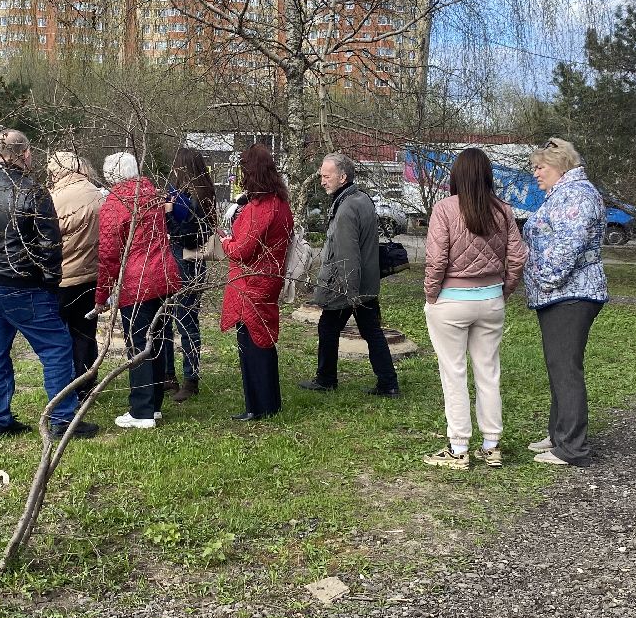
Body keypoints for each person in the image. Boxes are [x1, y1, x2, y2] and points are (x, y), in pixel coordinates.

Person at [0, 130, 96, 442]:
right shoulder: (34, 193)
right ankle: (61, 419)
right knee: (58, 348)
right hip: (23, 286)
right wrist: (49, 284)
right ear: (27, 154)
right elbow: (49, 247)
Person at [420, 148, 527, 470]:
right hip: (491, 301)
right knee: (488, 372)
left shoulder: (444, 209)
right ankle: (491, 446)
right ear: (487, 175)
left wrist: (431, 295)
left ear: (457, 175)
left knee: (453, 373)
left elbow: (437, 260)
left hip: (451, 301)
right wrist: (503, 291)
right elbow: (518, 257)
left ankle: (458, 448)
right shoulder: (503, 211)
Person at [523, 137, 608, 467]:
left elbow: (566, 247)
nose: (535, 173)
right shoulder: (564, 193)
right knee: (559, 366)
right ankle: (560, 435)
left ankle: (572, 447)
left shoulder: (575, 194)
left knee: (565, 368)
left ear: (560, 166)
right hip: (562, 294)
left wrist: (545, 280)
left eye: (539, 167)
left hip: (570, 294)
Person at [299, 152, 400, 397]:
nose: (322, 180)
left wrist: (350, 293)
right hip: (362, 283)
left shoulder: (345, 209)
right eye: (322, 175)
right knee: (370, 331)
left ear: (343, 177)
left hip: (347, 286)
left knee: (328, 327)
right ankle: (388, 382)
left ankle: (326, 379)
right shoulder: (362, 198)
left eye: (327, 176)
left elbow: (347, 256)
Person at [97, 151, 182, 430]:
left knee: (138, 344)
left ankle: (142, 411)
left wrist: (101, 296)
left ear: (112, 176)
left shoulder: (114, 203)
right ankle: (154, 405)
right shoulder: (153, 195)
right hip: (164, 275)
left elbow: (109, 255)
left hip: (137, 280)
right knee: (158, 339)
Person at [221, 143, 295, 420]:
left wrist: (225, 241)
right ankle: (268, 403)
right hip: (269, 278)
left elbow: (242, 250)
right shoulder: (279, 202)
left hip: (251, 282)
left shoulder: (260, 209)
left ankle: (259, 406)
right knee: (262, 340)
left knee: (253, 343)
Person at [161, 146, 217, 403]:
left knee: (181, 320)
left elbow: (186, 236)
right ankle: (179, 376)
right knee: (183, 319)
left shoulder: (185, 200)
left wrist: (169, 215)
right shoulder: (206, 195)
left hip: (183, 261)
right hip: (195, 263)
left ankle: (185, 378)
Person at [47, 150, 104, 396]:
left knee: (59, 336)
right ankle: (86, 383)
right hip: (90, 276)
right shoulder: (97, 194)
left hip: (60, 278)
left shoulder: (52, 198)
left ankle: (64, 386)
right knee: (85, 333)